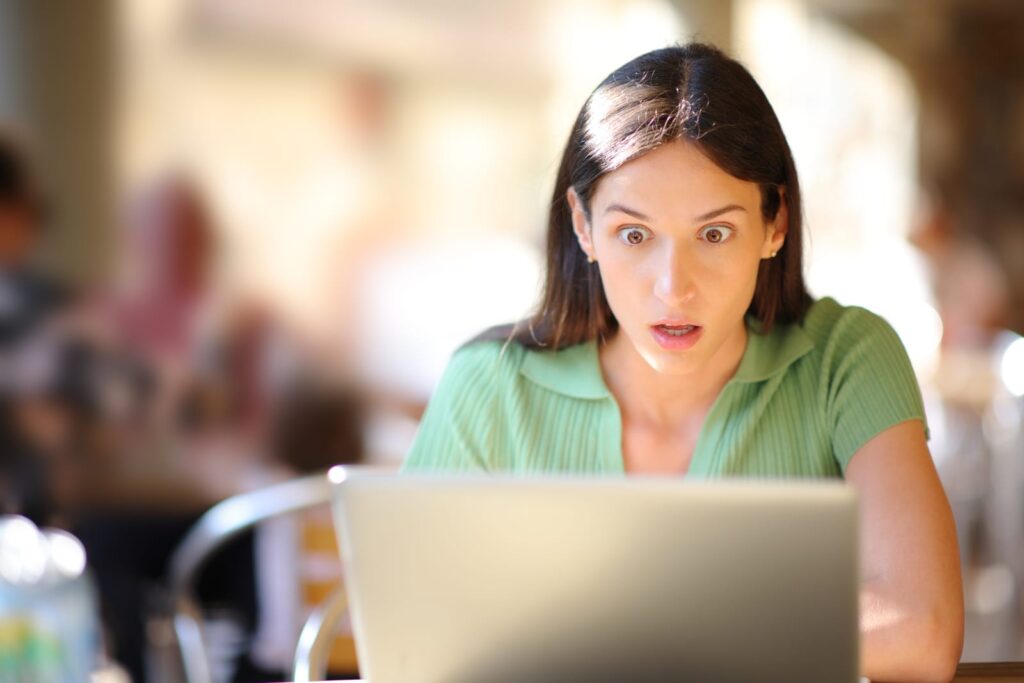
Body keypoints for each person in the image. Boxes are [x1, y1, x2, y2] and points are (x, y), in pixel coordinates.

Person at [403, 44, 963, 682]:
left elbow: (922, 630)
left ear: (774, 223)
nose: (674, 288)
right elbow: (411, 651)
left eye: (715, 233)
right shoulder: (489, 386)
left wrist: (609, 633)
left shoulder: (846, 359)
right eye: (634, 234)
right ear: (583, 226)